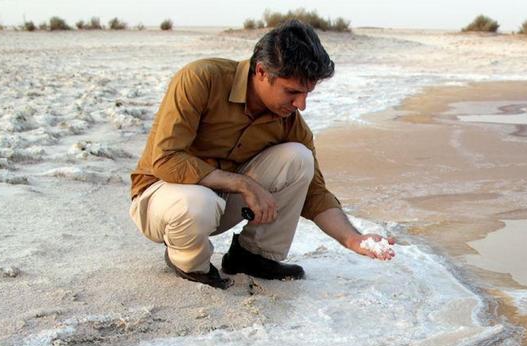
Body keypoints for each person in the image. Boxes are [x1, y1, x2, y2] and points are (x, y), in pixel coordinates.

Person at [128, 20, 394, 289]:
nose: (300, 105)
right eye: (292, 92)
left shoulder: (290, 122)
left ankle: (252, 256)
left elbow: (315, 193)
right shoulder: (202, 79)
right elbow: (166, 159)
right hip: (161, 200)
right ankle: (189, 263)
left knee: (298, 158)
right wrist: (241, 183)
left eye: (306, 94)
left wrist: (353, 239)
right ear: (261, 72)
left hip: (219, 205)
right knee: (198, 202)